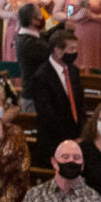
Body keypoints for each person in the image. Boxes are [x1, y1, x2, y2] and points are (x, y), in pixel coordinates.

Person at [26, 26, 84, 164]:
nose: (75, 53)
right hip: (53, 142)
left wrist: (82, 134)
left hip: (76, 139)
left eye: (76, 49)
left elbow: (80, 104)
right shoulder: (42, 76)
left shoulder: (73, 71)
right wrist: (69, 139)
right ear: (58, 51)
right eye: (71, 49)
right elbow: (48, 115)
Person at [11, 3, 49, 108]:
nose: (43, 18)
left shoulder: (27, 36)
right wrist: (69, 17)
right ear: (34, 21)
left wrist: (68, 15)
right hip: (33, 98)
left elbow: (46, 35)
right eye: (41, 15)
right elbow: (52, 48)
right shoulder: (29, 42)